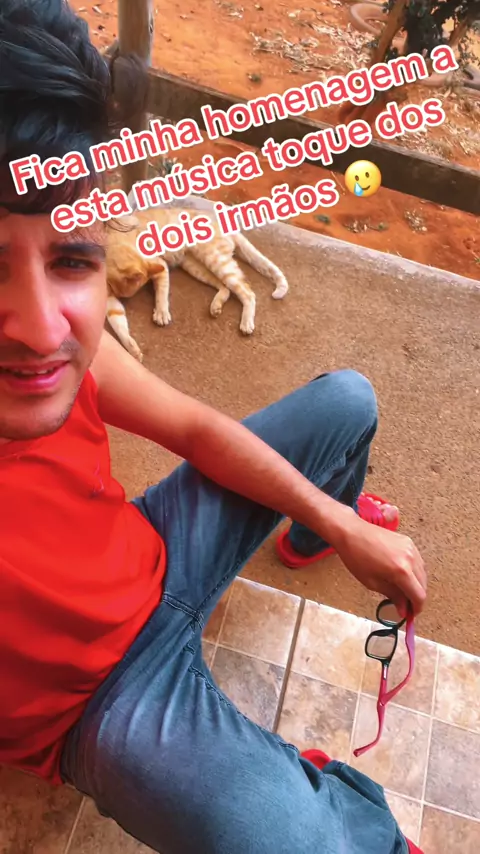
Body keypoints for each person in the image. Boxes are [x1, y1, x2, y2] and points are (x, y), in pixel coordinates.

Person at [0, 2, 427, 852]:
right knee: (296, 840)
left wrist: (341, 524)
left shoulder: (59, 350)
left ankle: (310, 535)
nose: (43, 331)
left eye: (72, 257)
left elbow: (195, 429)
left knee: (347, 400)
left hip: (152, 551)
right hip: (95, 708)